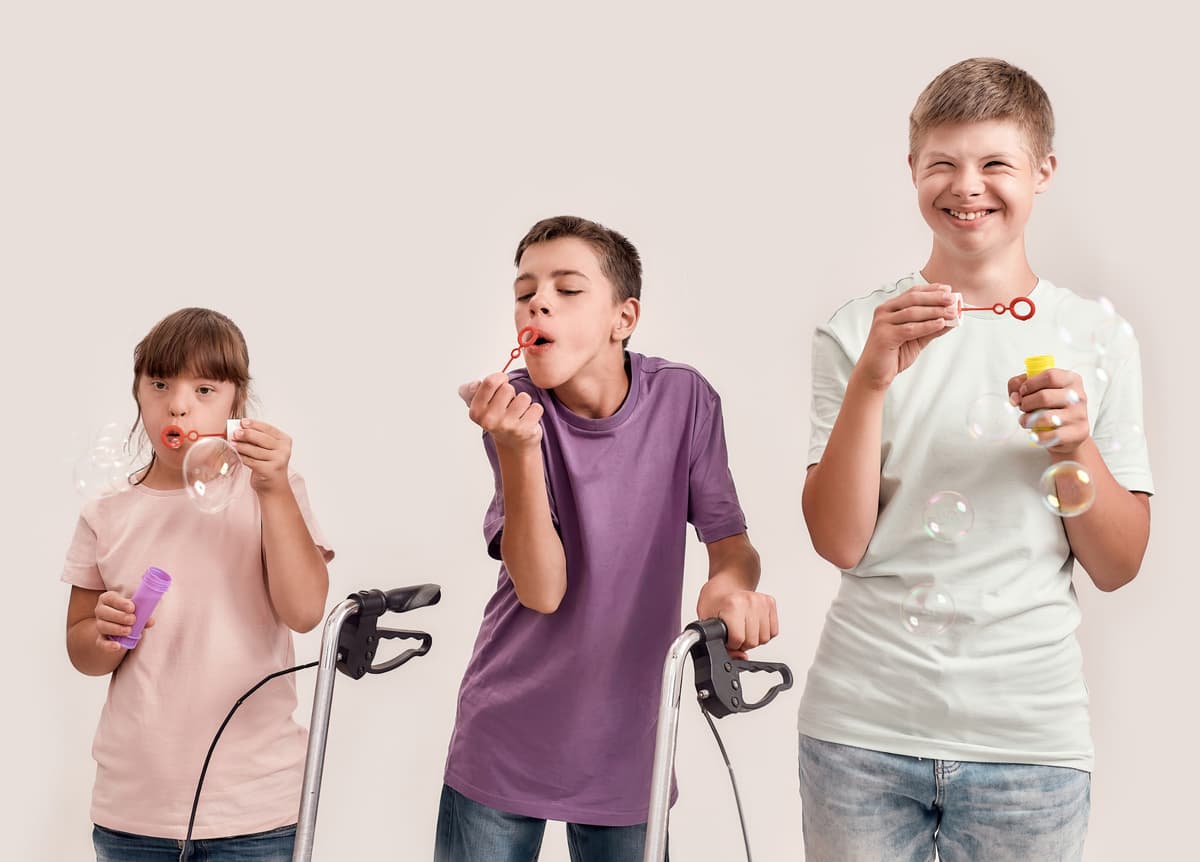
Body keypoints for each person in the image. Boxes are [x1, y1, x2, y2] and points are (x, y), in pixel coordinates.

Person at [797, 57, 1155, 861]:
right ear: (912, 171)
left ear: (1043, 172)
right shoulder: (858, 331)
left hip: (1030, 743)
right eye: (943, 164)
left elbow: (1120, 564)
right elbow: (838, 543)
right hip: (861, 731)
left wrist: (1076, 448)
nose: (969, 187)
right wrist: (869, 382)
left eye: (996, 162)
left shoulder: (1097, 341)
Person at [436, 215, 779, 861]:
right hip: (503, 736)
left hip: (627, 742)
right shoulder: (512, 414)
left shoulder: (685, 399)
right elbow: (541, 590)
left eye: (567, 289)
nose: (537, 301)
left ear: (624, 318)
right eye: (525, 290)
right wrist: (518, 448)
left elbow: (730, 545)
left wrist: (728, 592)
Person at [63, 307, 333, 861]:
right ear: (138, 392)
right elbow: (81, 651)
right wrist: (105, 635)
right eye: (159, 382)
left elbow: (305, 611)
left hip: (255, 811)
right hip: (133, 813)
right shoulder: (107, 513)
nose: (178, 403)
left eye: (205, 388)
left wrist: (275, 488)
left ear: (237, 404)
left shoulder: (270, 493)